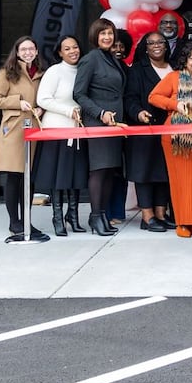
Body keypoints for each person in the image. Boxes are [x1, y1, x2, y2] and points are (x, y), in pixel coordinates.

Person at [149, 42, 192, 237]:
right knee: (182, 182)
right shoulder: (174, 77)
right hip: (178, 140)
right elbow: (153, 96)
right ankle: (182, 222)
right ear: (185, 60)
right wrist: (175, 104)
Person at [0, 36, 50, 242]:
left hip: (34, 131)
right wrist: (17, 102)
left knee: (29, 179)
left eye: (31, 49)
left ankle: (26, 220)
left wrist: (42, 108)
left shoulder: (41, 73)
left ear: (37, 51)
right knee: (14, 177)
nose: (28, 52)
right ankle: (14, 222)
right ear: (17, 51)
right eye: (24, 49)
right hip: (14, 130)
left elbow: (45, 97)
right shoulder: (8, 73)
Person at [73, 18, 130, 236]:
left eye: (110, 33)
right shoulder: (90, 60)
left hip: (115, 124)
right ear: (95, 36)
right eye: (102, 33)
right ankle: (96, 217)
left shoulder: (111, 58)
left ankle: (101, 215)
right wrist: (100, 113)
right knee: (99, 170)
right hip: (98, 123)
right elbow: (78, 94)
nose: (107, 37)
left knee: (109, 171)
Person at [34, 35, 88, 237]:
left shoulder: (83, 69)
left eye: (75, 47)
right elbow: (43, 99)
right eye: (67, 48)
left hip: (78, 130)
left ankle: (72, 217)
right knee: (59, 176)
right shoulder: (54, 71)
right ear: (60, 52)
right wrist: (68, 111)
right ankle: (57, 218)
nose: (73, 51)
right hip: (57, 129)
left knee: (75, 174)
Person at [126, 32, 176, 232]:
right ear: (145, 48)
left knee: (164, 171)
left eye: (160, 42)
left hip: (170, 128)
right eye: (151, 43)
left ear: (167, 46)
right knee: (144, 171)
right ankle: (147, 217)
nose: (156, 46)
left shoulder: (175, 69)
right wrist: (138, 113)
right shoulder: (137, 70)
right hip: (144, 127)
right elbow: (129, 98)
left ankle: (161, 214)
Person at [105, 28, 133, 224]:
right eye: (115, 45)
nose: (118, 49)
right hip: (107, 123)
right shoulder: (102, 67)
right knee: (108, 170)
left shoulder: (127, 69)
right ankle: (105, 212)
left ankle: (117, 212)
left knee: (121, 172)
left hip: (126, 126)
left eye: (122, 46)